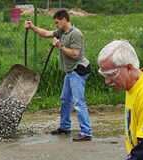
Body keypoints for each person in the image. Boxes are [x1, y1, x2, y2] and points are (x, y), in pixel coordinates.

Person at [24, 10, 92, 142]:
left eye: (57, 22)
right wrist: (32, 27)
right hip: (70, 72)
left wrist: (60, 46)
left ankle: (86, 132)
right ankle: (65, 127)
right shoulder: (61, 32)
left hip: (77, 71)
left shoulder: (75, 34)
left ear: (64, 20)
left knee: (78, 102)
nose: (55, 25)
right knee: (65, 99)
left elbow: (75, 54)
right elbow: (46, 33)